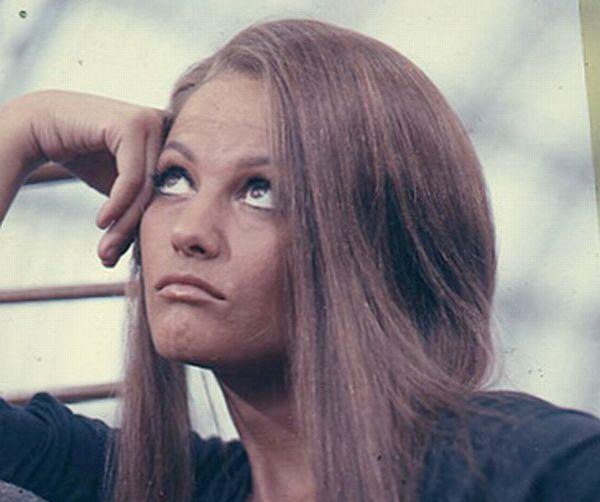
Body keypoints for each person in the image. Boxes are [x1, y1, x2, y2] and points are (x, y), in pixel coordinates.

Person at [1, 18, 599, 502]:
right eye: (175, 178)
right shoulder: (163, 485)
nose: (190, 232)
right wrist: (25, 125)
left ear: (380, 244)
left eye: (261, 191)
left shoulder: (541, 470)